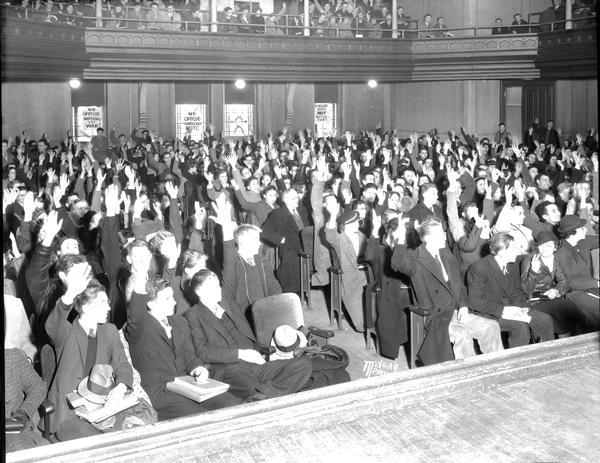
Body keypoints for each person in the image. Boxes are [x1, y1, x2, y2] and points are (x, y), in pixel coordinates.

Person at [125, 275, 241, 421]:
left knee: (232, 404)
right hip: (160, 391)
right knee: (199, 417)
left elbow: (189, 357)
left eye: (172, 297)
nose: (174, 302)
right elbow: (135, 313)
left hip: (186, 385)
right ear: (150, 304)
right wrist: (139, 274)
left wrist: (198, 369)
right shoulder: (139, 328)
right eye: (167, 299)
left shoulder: (179, 322)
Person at [185, 269, 312, 401]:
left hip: (254, 363)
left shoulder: (226, 306)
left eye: (218, 285)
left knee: (303, 364)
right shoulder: (193, 315)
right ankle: (267, 394)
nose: (218, 290)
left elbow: (244, 337)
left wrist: (256, 354)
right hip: (230, 370)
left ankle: (267, 395)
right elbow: (202, 351)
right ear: (199, 292)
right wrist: (241, 353)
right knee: (253, 387)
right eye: (212, 287)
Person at [392, 217, 503, 365]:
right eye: (440, 234)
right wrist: (399, 239)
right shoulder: (416, 259)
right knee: (462, 335)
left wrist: (463, 305)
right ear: (428, 238)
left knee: (491, 326)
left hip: (455, 311)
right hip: (435, 317)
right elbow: (398, 264)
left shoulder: (446, 254)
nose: (445, 236)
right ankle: (468, 373)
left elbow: (459, 286)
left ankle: (499, 365)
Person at [45, 274, 134, 440]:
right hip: (68, 412)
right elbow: (53, 326)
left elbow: (123, 365)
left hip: (102, 405)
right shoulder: (66, 331)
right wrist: (69, 294)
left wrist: (121, 387)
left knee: (127, 437)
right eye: (102, 302)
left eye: (107, 302)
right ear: (85, 307)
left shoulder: (109, 331)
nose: (108, 307)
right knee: (97, 444)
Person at [467, 233, 555, 348]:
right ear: (502, 252)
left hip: (511, 308)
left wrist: (522, 308)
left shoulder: (511, 265)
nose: (518, 251)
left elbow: (516, 292)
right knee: (520, 327)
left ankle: (546, 354)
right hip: (490, 312)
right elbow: (475, 301)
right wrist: (503, 310)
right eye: (514, 248)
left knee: (544, 320)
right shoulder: (479, 268)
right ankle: (519, 361)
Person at [521, 231, 588, 335]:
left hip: (549, 297)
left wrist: (556, 290)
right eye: (541, 246)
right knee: (567, 309)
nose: (544, 249)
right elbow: (526, 289)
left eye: (548, 246)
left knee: (569, 316)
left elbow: (563, 280)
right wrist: (533, 271)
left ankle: (577, 343)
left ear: (555, 247)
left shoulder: (554, 258)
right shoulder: (529, 260)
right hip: (533, 300)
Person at [261, 188, 311, 294]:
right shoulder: (277, 213)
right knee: (291, 277)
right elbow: (265, 231)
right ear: (286, 200)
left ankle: (304, 291)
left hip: (305, 247)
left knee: (306, 273)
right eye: (293, 199)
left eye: (297, 197)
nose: (297, 200)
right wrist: (282, 240)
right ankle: (292, 295)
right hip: (289, 249)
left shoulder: (302, 210)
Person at [555, 215, 600, 330]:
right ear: (572, 233)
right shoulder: (561, 252)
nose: (585, 229)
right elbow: (570, 283)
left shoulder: (583, 242)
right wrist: (597, 284)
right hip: (574, 292)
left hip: (590, 287)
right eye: (582, 228)